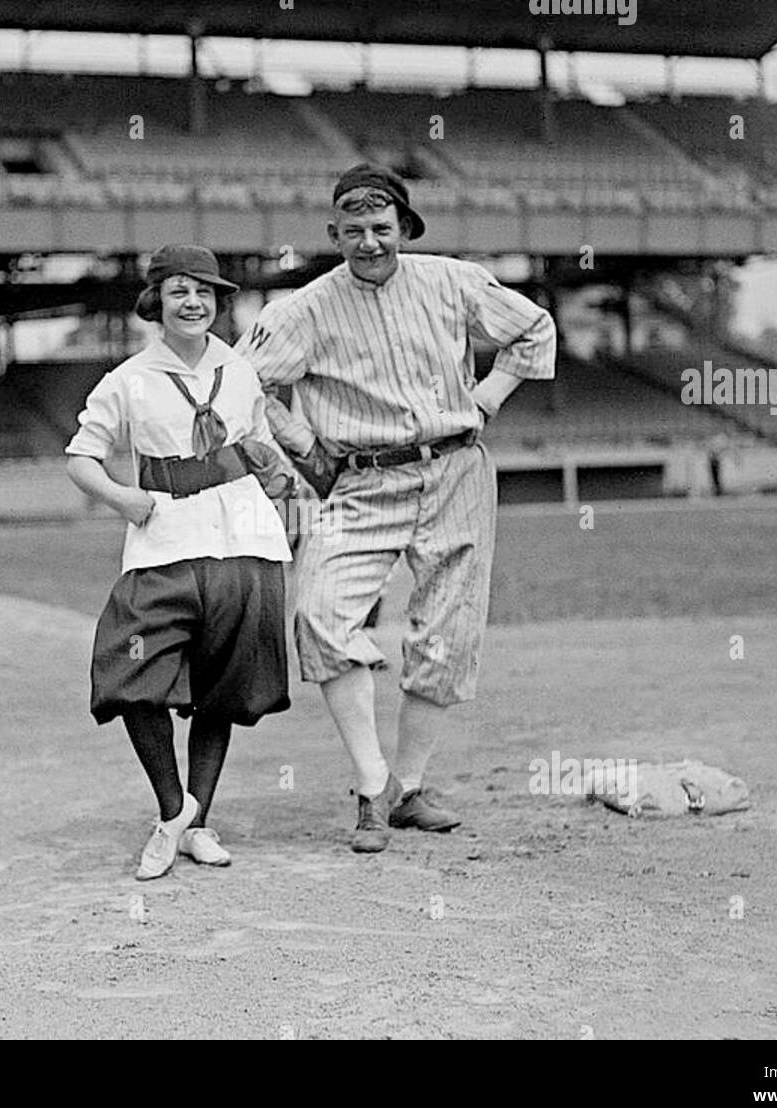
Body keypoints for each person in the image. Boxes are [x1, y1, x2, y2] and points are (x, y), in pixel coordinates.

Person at [236, 163, 557, 853]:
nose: (369, 242)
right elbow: (241, 386)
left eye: (382, 228)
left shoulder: (452, 280)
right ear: (334, 233)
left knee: (447, 632)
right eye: (353, 231)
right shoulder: (304, 308)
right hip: (361, 480)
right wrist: (302, 446)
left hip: (454, 469)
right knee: (321, 616)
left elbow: (534, 329)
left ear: (403, 229)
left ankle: (409, 787)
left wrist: (490, 397)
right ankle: (371, 783)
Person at [66, 245, 294, 881]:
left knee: (221, 686)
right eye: (178, 293)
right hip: (166, 539)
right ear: (157, 304)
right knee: (127, 670)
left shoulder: (242, 371)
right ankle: (173, 811)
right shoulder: (128, 379)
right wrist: (124, 499)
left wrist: (277, 475)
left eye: (204, 293)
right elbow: (81, 457)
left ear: (219, 303)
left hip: (245, 540)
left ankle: (197, 826)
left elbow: (257, 443)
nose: (193, 304)